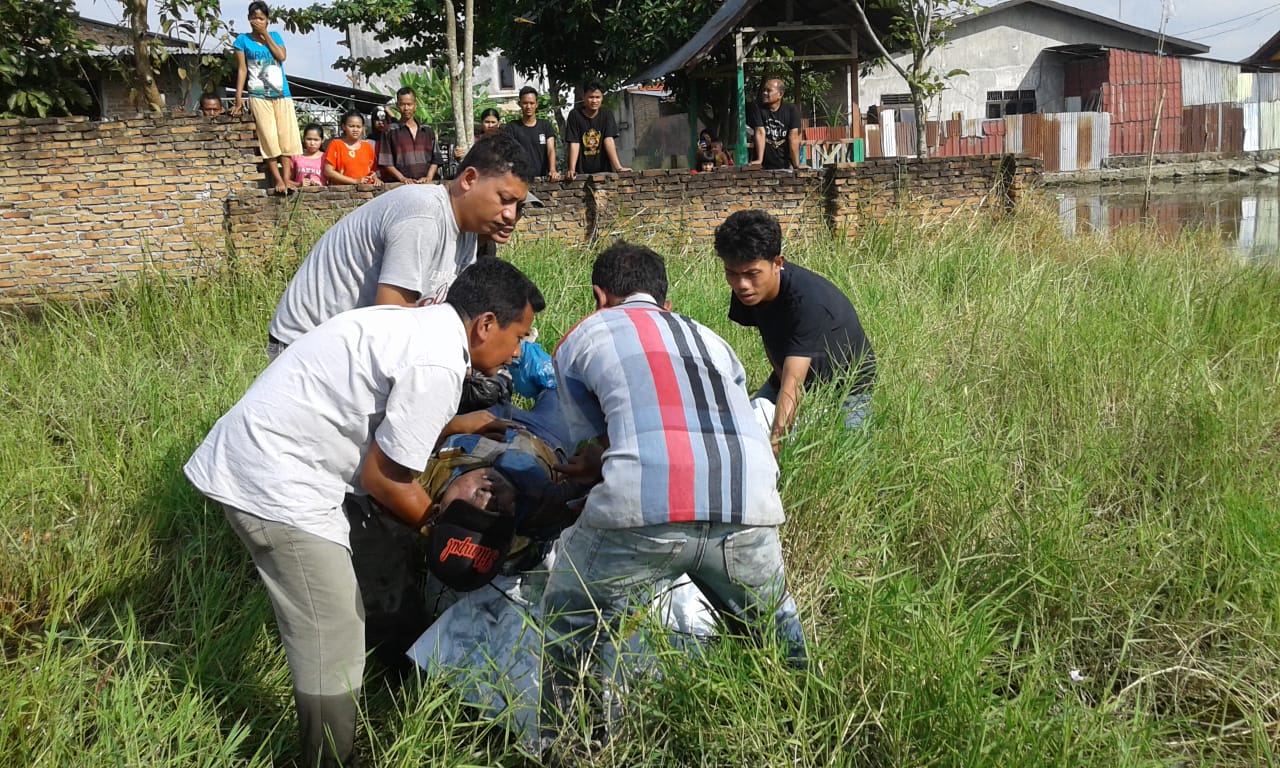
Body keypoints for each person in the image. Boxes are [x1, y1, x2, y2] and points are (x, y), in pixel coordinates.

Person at [184, 258, 545, 768]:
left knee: (342, 618)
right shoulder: (440, 362)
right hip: (278, 484)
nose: (519, 352)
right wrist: (445, 531)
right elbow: (384, 479)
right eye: (519, 335)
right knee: (334, 638)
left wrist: (454, 423)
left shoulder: (415, 325)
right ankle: (331, 759)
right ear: (486, 324)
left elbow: (384, 422)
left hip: (267, 459)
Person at [540, 241, 807, 752]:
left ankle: (571, 748)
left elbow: (595, 446)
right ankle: (797, 730)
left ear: (600, 296)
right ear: (665, 301)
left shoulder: (584, 335)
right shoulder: (711, 339)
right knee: (773, 624)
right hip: (748, 504)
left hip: (642, 510)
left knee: (571, 615)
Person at [267, 132, 536, 359]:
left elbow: (448, 319)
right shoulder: (423, 214)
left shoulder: (467, 232)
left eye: (517, 206)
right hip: (306, 347)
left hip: (356, 348)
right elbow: (392, 327)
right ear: (468, 179)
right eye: (504, 199)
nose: (511, 214)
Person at [713, 209, 875, 450]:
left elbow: (793, 384)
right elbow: (768, 337)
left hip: (848, 384)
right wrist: (777, 388)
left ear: (778, 263)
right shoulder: (748, 291)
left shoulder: (807, 301)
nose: (741, 284)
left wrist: (776, 451)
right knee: (742, 433)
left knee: (852, 454)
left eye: (751, 274)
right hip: (789, 373)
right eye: (731, 274)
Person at [230, 1, 302, 195]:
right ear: (248, 18)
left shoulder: (276, 36)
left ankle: (287, 178)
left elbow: (281, 56)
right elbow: (242, 69)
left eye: (261, 18)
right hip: (258, 94)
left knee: (285, 138)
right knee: (268, 138)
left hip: (281, 93)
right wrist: (239, 96)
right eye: (254, 18)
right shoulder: (242, 41)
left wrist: (266, 35)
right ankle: (277, 179)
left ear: (267, 20)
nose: (257, 21)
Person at [565, 81, 630, 179]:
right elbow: (574, 142)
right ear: (583, 97)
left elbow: (608, 140)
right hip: (581, 171)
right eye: (591, 97)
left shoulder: (607, 114)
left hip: (604, 170)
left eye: (597, 97)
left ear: (602, 98)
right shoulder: (574, 115)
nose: (594, 101)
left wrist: (618, 168)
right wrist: (572, 169)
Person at [378, 87, 441, 185]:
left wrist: (429, 177)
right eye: (402, 104)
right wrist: (402, 178)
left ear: (415, 106)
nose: (406, 108)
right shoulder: (390, 130)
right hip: (401, 186)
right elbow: (386, 161)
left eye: (409, 104)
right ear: (397, 106)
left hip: (427, 186)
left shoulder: (427, 130)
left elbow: (436, 158)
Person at [747, 78, 802, 170]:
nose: (764, 93)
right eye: (764, 90)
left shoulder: (791, 110)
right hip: (765, 163)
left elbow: (794, 137)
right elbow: (760, 132)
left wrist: (796, 164)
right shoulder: (758, 108)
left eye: (768, 91)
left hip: (785, 161)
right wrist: (759, 160)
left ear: (780, 94)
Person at [506, 86, 559, 180]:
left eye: (531, 103)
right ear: (519, 104)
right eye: (525, 103)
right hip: (520, 179)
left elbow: (550, 150)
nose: (528, 106)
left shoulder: (545, 126)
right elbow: (509, 153)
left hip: (543, 178)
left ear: (536, 104)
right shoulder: (512, 127)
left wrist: (552, 169)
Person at [324, 111, 381, 186]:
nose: (355, 130)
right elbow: (328, 171)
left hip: (366, 191)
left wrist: (376, 179)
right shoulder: (336, 144)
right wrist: (355, 181)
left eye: (358, 127)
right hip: (342, 192)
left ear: (363, 128)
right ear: (343, 126)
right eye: (351, 126)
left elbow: (372, 170)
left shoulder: (367, 146)